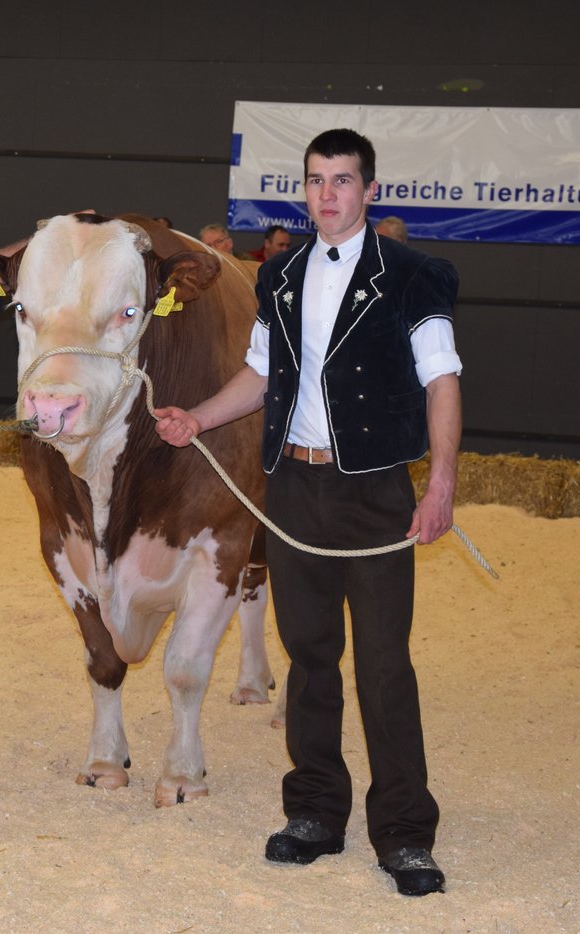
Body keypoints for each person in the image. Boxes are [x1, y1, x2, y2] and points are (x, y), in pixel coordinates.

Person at [154, 128, 462, 897]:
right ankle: (317, 812)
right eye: (317, 180)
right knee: (310, 658)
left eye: (344, 180)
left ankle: (403, 831)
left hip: (374, 494)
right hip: (294, 490)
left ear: (369, 190)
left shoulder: (413, 277)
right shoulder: (281, 275)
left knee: (386, 666)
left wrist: (442, 484)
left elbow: (442, 380)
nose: (328, 193)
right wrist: (197, 417)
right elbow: (260, 373)